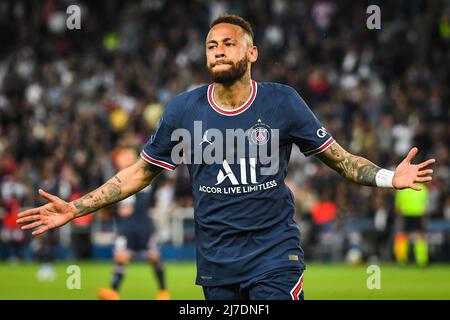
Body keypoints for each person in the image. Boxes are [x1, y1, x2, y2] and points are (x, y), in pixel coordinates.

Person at [17, 14, 435, 300]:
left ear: (251, 53)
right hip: (216, 263)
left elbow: (340, 159)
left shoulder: (282, 103)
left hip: (275, 257)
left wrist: (386, 178)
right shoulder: (183, 110)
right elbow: (141, 173)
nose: (218, 50)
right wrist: (75, 207)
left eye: (229, 44)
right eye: (211, 45)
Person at [97, 146, 170, 300]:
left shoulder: (143, 175)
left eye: (130, 155)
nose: (127, 158)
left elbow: (150, 192)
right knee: (120, 257)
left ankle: (163, 291)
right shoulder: (114, 179)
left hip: (143, 225)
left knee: (154, 257)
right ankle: (113, 291)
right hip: (125, 227)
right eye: (124, 155)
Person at [394, 184, 429, 267]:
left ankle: (401, 260)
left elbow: (397, 205)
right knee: (420, 237)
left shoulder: (402, 187)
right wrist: (425, 218)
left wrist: (399, 217)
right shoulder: (423, 188)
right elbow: (426, 205)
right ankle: (421, 261)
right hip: (418, 214)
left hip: (406, 214)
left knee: (403, 237)